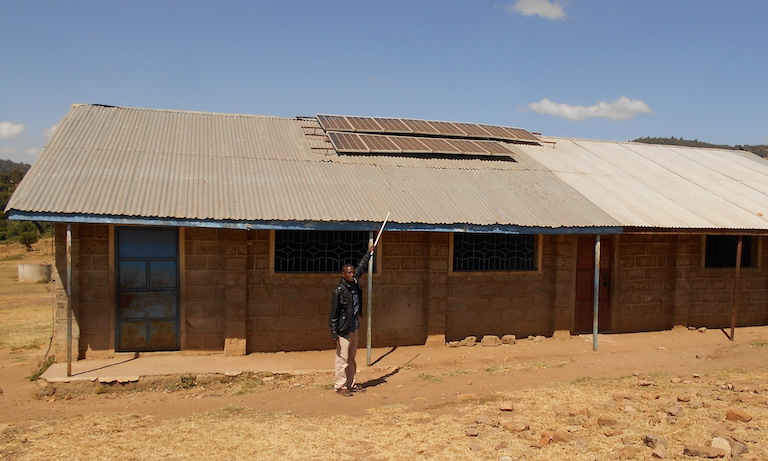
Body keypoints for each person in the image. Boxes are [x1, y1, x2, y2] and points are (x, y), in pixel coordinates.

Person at [329, 243, 375, 396]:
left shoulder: (355, 283)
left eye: (353, 272)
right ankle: (340, 386)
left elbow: (362, 266)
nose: (352, 274)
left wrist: (369, 253)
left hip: (354, 326)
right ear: (343, 274)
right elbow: (333, 314)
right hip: (344, 329)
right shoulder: (339, 291)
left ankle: (351, 383)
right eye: (348, 273)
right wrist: (334, 332)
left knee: (352, 357)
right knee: (342, 358)